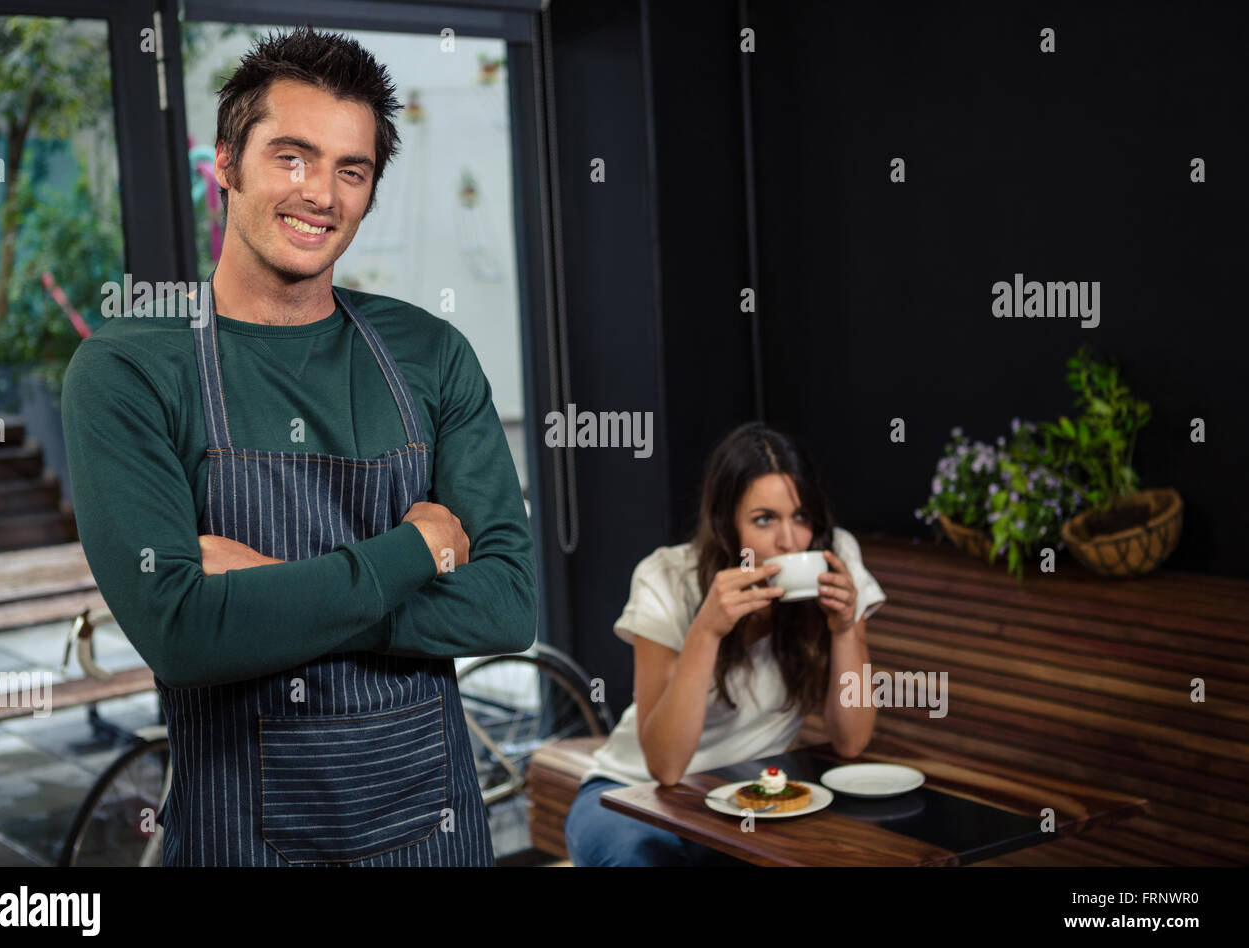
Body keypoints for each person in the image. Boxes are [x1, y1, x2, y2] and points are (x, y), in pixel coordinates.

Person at [61, 26, 536, 866]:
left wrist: (270, 594)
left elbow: (506, 604)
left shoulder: (428, 354)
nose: (320, 192)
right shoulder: (129, 369)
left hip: (438, 837)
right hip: (238, 843)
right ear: (226, 165)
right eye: (291, 155)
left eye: (350, 170)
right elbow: (183, 632)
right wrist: (416, 548)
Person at [564, 422, 887, 866]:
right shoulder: (665, 577)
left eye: (801, 516)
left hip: (749, 797)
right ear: (725, 525)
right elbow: (665, 768)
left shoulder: (839, 560)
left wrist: (845, 628)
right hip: (631, 793)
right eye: (763, 519)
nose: (789, 542)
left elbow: (851, 742)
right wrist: (707, 630)